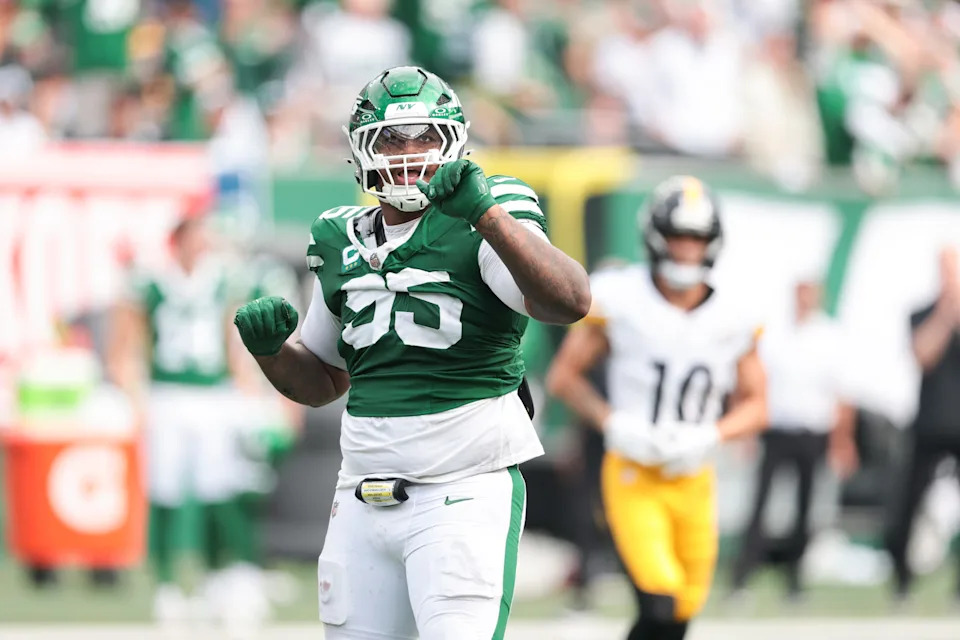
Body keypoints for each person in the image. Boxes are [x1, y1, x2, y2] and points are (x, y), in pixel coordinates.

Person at [233, 65, 590, 639]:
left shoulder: (491, 210)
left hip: (462, 489)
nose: (408, 154)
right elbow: (324, 379)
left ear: (454, 143)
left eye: (425, 136)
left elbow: (569, 301)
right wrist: (272, 354)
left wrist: (488, 216)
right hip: (360, 493)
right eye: (391, 140)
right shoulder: (335, 235)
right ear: (360, 150)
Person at [546, 176, 768, 640]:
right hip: (634, 470)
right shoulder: (622, 296)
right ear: (655, 236)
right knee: (659, 599)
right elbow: (564, 377)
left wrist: (713, 435)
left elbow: (758, 404)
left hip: (694, 475)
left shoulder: (734, 313)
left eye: (696, 239)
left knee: (681, 611)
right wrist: (613, 422)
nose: (687, 250)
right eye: (678, 237)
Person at [108, 212, 267, 629]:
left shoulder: (223, 279)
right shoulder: (150, 282)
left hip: (214, 395)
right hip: (167, 393)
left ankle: (219, 580)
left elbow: (233, 340)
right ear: (176, 241)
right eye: (196, 237)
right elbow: (125, 344)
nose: (203, 246)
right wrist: (134, 392)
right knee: (164, 489)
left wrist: (247, 385)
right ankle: (166, 586)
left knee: (219, 489)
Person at [730, 278, 858, 600]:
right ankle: (742, 576)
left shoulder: (829, 335)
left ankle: (795, 579)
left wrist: (842, 441)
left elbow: (842, 393)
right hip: (776, 429)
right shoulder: (773, 333)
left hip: (812, 431)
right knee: (759, 505)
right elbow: (751, 382)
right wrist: (744, 430)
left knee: (805, 508)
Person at [886, 246, 960, 603]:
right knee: (908, 503)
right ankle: (901, 579)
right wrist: (946, 314)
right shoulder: (922, 313)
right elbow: (923, 356)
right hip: (930, 424)